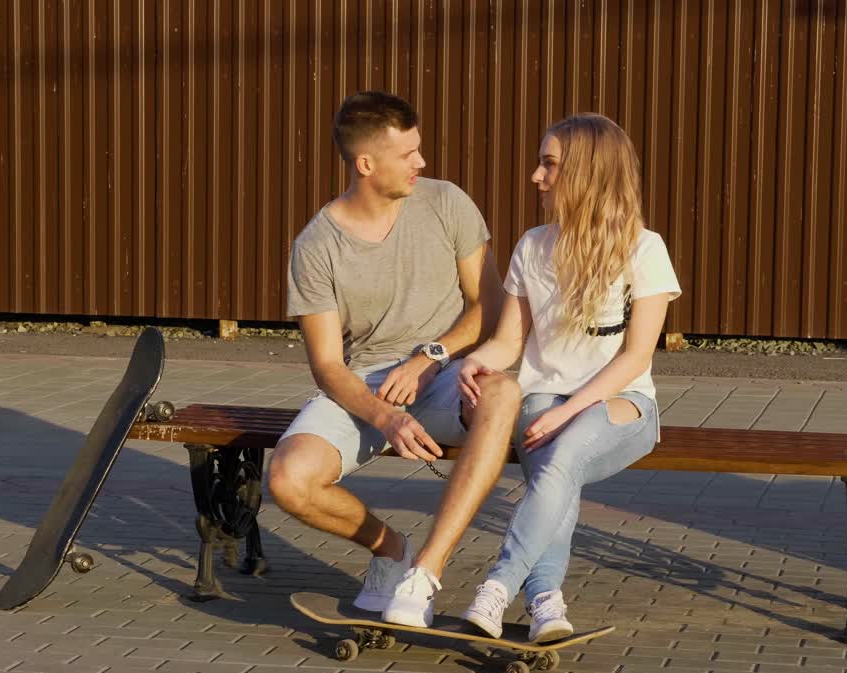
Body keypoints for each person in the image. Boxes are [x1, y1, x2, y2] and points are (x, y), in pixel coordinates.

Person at [267, 91, 521, 628]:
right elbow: (328, 366)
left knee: (501, 392)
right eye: (408, 154)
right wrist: (385, 415)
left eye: (419, 150)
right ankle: (391, 552)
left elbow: (489, 306)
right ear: (366, 164)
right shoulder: (315, 246)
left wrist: (432, 355)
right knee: (289, 481)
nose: (421, 163)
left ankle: (426, 571)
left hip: (448, 371)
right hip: (367, 386)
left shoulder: (446, 202)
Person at [455, 113, 681, 642]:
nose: (536, 175)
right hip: (543, 399)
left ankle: (499, 584)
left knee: (563, 452)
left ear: (588, 173)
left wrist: (567, 409)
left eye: (550, 164)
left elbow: (634, 357)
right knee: (557, 466)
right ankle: (546, 605)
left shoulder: (645, 249)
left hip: (622, 403)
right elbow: (510, 341)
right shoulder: (533, 245)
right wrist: (476, 359)